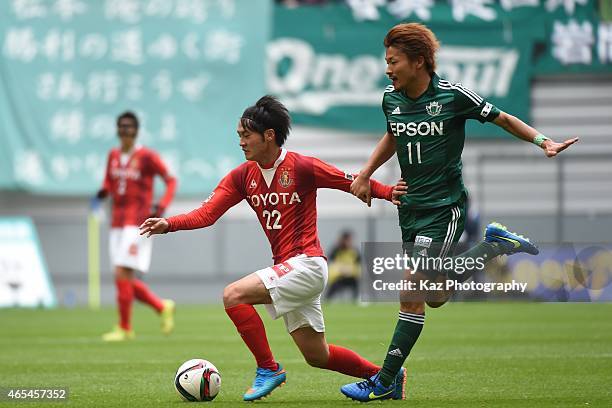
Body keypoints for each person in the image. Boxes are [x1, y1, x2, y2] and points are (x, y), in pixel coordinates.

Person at [341, 23, 579, 401]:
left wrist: (542, 140)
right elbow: (393, 133)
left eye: (393, 61)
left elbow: (501, 117)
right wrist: (366, 173)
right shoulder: (391, 98)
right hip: (410, 209)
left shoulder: (452, 97)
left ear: (418, 61)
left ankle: (384, 380)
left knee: (411, 288)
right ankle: (493, 246)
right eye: (386, 61)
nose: (387, 69)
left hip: (444, 207)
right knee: (434, 296)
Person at [139, 96, 408, 401]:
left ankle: (268, 368)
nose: (241, 142)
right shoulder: (242, 176)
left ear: (269, 135)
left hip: (307, 263)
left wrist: (387, 192)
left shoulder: (302, 166)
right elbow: (208, 214)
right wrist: (169, 223)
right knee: (316, 355)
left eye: (246, 135)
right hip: (290, 268)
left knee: (233, 295)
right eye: (239, 136)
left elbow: (350, 181)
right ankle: (386, 376)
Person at [93, 111, 177, 342]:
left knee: (122, 272)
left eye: (129, 126)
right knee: (123, 277)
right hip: (117, 222)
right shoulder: (113, 155)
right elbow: (109, 182)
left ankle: (125, 327)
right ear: (117, 129)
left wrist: (162, 205)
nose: (125, 130)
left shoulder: (148, 156)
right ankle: (161, 307)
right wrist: (103, 191)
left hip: (138, 222)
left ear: (136, 130)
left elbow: (171, 179)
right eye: (121, 126)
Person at [325, 230, 361, 302]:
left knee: (355, 284)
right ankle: (327, 301)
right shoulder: (336, 250)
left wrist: (350, 270)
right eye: (348, 240)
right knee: (333, 287)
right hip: (338, 277)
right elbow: (331, 263)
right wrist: (341, 269)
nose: (349, 242)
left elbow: (358, 265)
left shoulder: (354, 251)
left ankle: (356, 300)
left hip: (351, 276)